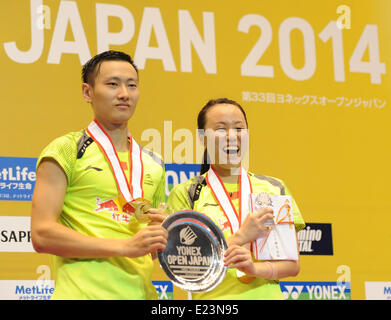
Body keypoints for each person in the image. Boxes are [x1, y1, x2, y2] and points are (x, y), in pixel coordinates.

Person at [31, 50, 168, 300]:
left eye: (132, 85)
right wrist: (125, 246)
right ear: (87, 92)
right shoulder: (66, 150)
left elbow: (152, 252)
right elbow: (42, 234)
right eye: (113, 84)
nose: (124, 94)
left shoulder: (154, 164)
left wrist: (163, 232)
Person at [167, 98, 305, 299]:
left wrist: (254, 269)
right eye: (221, 129)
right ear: (202, 138)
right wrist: (240, 238)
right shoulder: (186, 193)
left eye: (239, 128)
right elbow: (184, 266)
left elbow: (292, 266)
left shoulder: (274, 188)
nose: (232, 136)